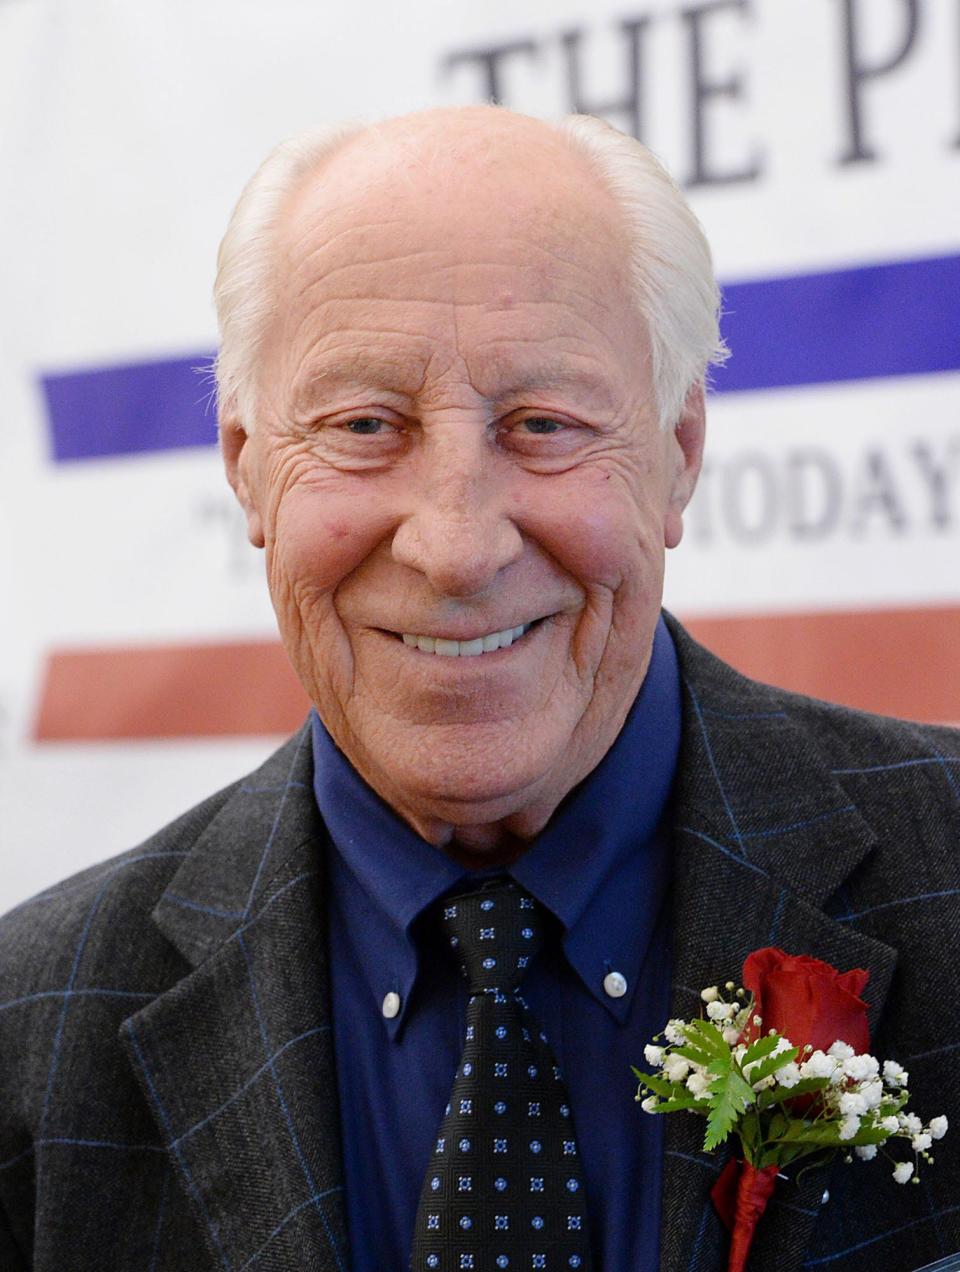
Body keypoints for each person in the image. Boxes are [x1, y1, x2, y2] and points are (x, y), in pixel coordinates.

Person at [0, 106, 957, 1272]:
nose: (456, 546)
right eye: (364, 425)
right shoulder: (32, 1028)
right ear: (248, 471)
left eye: (543, 424)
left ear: (679, 458)